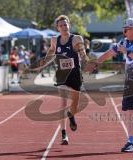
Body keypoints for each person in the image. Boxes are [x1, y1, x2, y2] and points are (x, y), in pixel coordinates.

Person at [88, 18, 133, 152]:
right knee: (130, 112)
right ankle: (131, 141)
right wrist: (96, 62)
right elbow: (109, 53)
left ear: (132, 29)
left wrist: (127, 52)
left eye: (125, 29)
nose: (124, 32)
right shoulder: (124, 41)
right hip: (130, 82)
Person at [43, 15, 89, 145]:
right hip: (62, 74)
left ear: (69, 25)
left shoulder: (76, 39)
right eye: (61, 25)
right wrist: (45, 61)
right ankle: (64, 135)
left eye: (65, 24)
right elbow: (51, 51)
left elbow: (83, 55)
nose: (64, 27)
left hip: (75, 74)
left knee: (75, 102)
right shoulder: (54, 40)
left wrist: (87, 61)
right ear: (57, 28)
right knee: (62, 103)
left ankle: (71, 114)